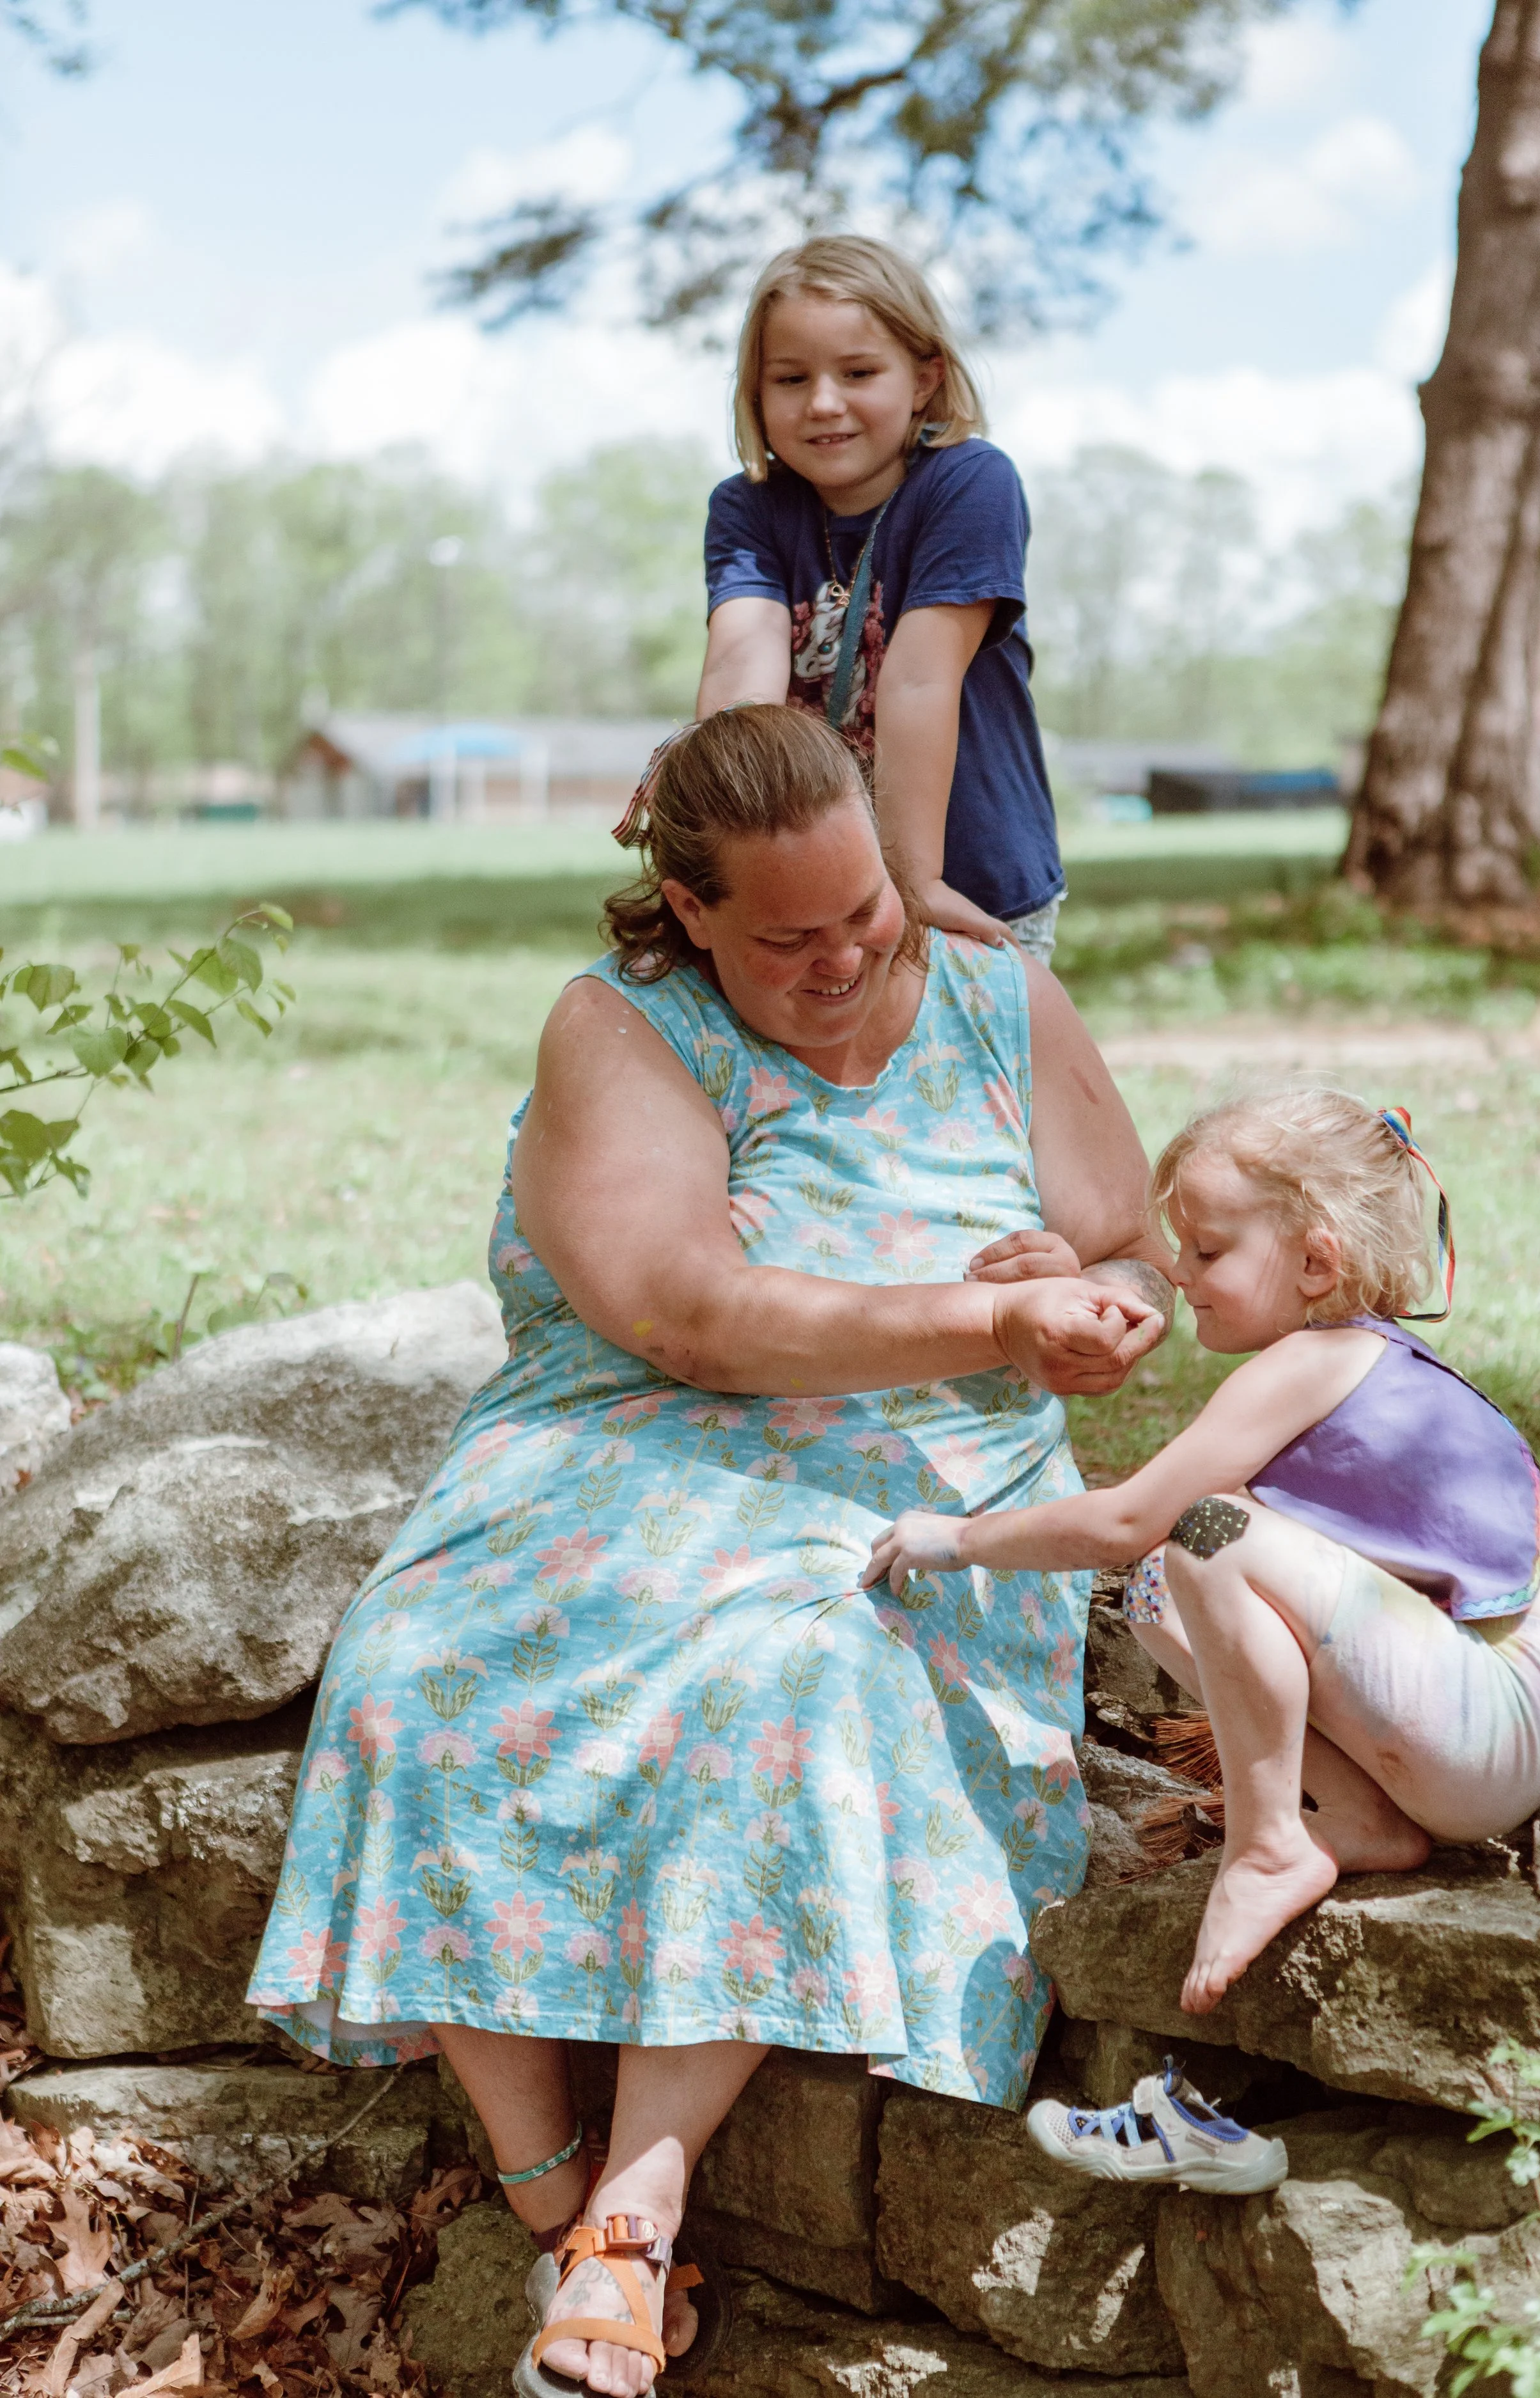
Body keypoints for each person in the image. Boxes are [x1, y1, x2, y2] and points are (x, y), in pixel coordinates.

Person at [248, 705, 1174, 2398]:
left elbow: (1130, 1245)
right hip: (614, 1446)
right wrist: (986, 1305)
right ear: (687, 908)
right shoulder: (625, 1030)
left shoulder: (995, 999)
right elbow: (684, 1315)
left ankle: (633, 2215)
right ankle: (551, 2194)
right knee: (411, 1666)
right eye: (789, 935)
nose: (843, 958)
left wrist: (1098, 1294)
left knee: (795, 1660)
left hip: (909, 1486)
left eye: (869, 915)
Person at [868, 1085, 1540, 2035]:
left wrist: (957, 1538)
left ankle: (1267, 1847)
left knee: (1205, 1533)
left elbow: (1129, 1517)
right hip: (1479, 1730)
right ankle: (1359, 1817)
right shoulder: (1371, 1361)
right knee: (1165, 1587)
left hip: (1490, 1723)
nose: (1178, 1271)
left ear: (1315, 1262)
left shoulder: (1311, 1360)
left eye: (1207, 1251)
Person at [698, 234, 1066, 960]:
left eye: (859, 371)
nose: (823, 403)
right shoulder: (748, 507)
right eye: (791, 379)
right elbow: (742, 670)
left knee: (961, 1079)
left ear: (925, 378)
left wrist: (913, 879)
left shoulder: (969, 483)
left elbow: (920, 680)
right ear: (756, 392)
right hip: (810, 897)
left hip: (963, 880)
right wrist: (715, 844)